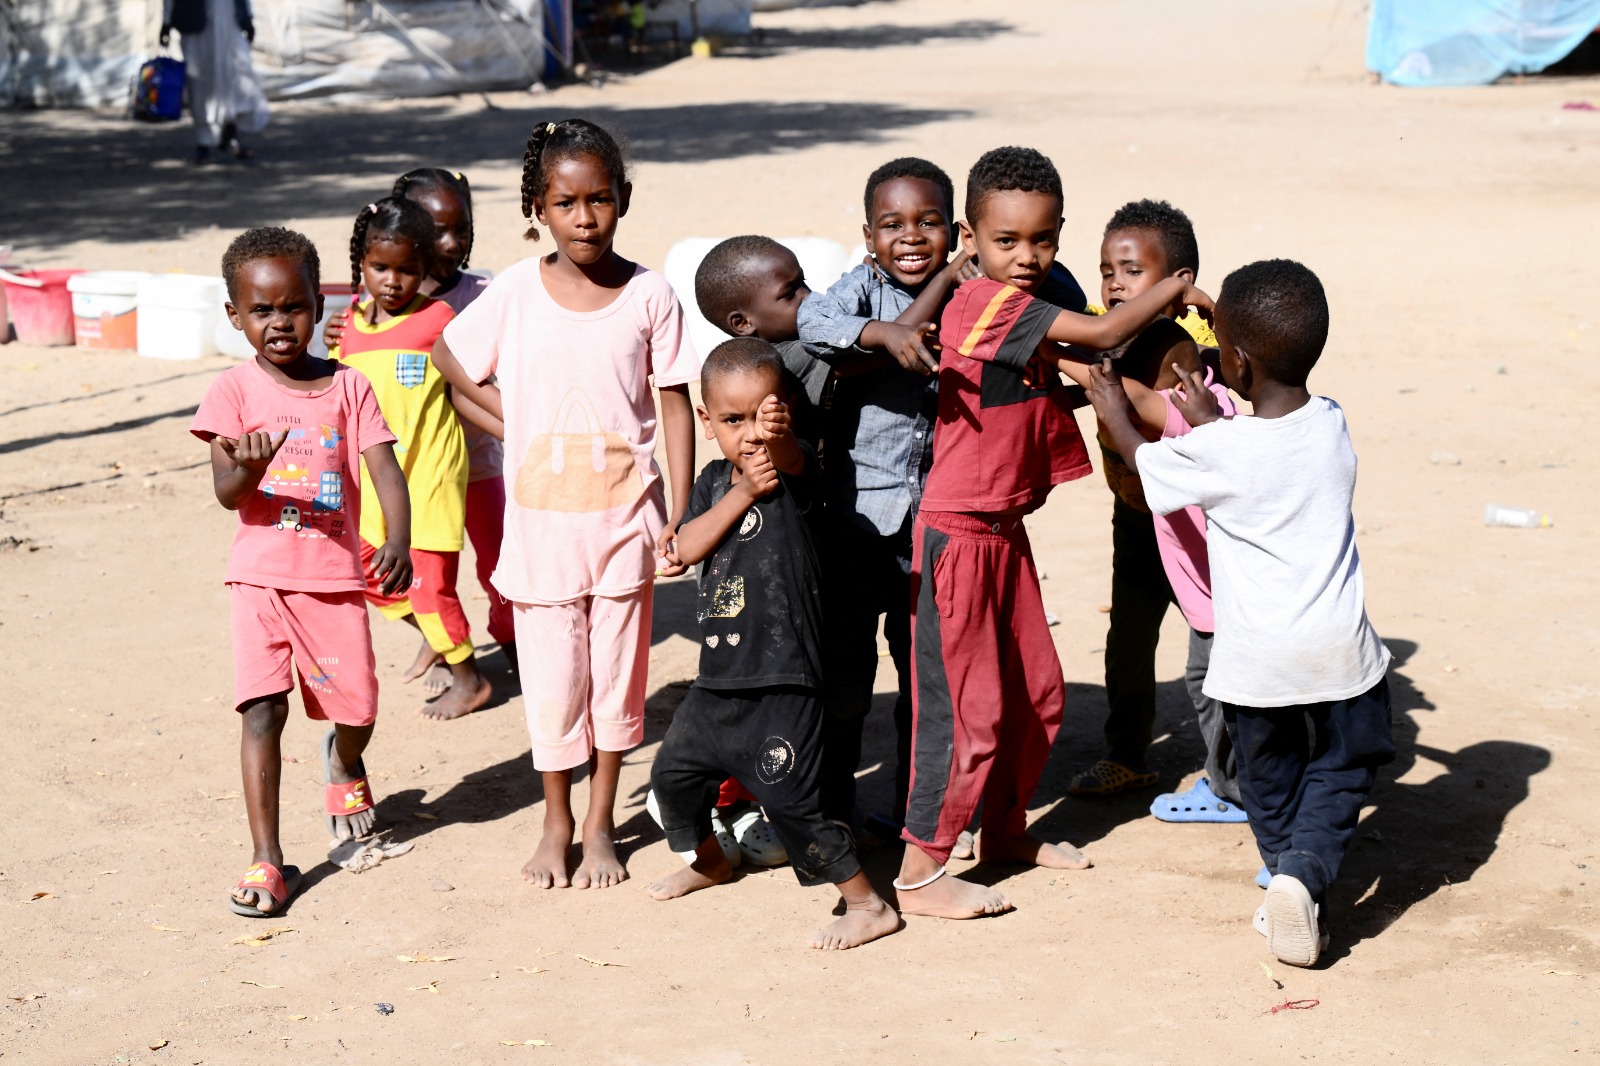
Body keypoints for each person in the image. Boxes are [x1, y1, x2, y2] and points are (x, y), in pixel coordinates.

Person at [894, 146, 1212, 919]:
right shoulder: (979, 304)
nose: (1026, 257)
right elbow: (1101, 342)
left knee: (1034, 695)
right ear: (970, 239)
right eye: (1007, 241)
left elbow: (1080, 374)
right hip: (958, 538)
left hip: (1004, 534)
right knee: (963, 715)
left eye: (1042, 240)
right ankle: (919, 872)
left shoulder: (1025, 314)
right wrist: (1178, 289)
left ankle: (1003, 833)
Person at [1085, 258, 1394, 967]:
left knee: (1269, 779)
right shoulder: (1332, 425)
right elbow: (1254, 451)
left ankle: (1291, 870)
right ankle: (1300, 880)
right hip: (1339, 654)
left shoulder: (1218, 450)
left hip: (1254, 666)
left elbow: (1147, 462)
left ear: (1241, 367)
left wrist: (1111, 407)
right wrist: (1206, 421)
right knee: (1344, 770)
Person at [434, 118, 698, 890]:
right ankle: (555, 821)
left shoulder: (649, 293)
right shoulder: (515, 292)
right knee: (555, 688)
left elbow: (674, 403)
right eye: (566, 202)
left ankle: (599, 822)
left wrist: (678, 512)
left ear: (622, 200)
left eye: (601, 199)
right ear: (537, 208)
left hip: (626, 528)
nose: (585, 217)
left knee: (617, 684)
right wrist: (514, 428)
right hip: (541, 535)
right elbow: (450, 363)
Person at [649, 338, 899, 950]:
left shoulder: (799, 473)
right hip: (718, 680)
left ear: (786, 410)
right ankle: (712, 859)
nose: (751, 434)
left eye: (765, 414)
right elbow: (682, 549)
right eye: (733, 421)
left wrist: (782, 443)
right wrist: (739, 493)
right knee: (672, 780)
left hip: (786, 679)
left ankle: (869, 905)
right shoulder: (714, 485)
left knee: (793, 801)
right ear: (707, 423)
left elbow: (791, 462)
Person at [190, 227, 411, 916]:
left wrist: (398, 537)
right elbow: (227, 493)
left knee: (359, 706)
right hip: (259, 575)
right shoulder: (231, 392)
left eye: (292, 307)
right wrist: (248, 467)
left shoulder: (348, 387)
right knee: (262, 709)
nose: (278, 323)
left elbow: (383, 468)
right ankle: (266, 859)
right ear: (235, 316)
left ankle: (344, 758)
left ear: (318, 304)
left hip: (336, 580)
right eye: (260, 311)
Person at [794, 157, 956, 838]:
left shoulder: (970, 288)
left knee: (925, 677)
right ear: (868, 236)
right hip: (861, 520)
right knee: (848, 677)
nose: (911, 237)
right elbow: (811, 321)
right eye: (892, 225)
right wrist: (882, 333)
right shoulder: (859, 289)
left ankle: (919, 814)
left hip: (938, 515)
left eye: (928, 222)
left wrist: (956, 279)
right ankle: (835, 811)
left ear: (958, 231)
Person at [1065, 200, 1242, 819]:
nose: (1114, 283)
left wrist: (1210, 306)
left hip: (1195, 526)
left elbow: (1250, 361)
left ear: (1177, 279)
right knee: (1130, 637)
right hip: (1137, 517)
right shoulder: (1100, 327)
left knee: (1212, 647)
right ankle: (1128, 752)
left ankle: (1235, 776)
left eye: (1131, 270)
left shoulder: (1184, 348)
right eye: (1107, 270)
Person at [327, 169, 516, 695]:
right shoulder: (361, 318)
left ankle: (511, 650)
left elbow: (471, 384)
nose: (449, 243)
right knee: (396, 576)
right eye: (437, 230)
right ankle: (442, 635)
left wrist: (522, 427)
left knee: (495, 570)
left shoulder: (467, 304)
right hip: (388, 478)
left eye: (460, 229)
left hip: (464, 465)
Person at [694, 235, 828, 448]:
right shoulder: (780, 360)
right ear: (743, 323)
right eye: (789, 293)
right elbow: (872, 348)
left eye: (803, 282)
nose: (809, 296)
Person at [160, 0, 269, 165]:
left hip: (229, 21)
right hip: (195, 23)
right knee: (200, 84)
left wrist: (247, 18)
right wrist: (166, 22)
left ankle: (230, 134)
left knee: (235, 77)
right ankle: (203, 142)